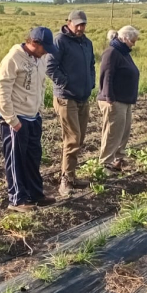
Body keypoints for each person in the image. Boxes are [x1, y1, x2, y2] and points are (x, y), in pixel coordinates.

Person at [0, 27, 58, 212]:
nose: (46, 51)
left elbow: (40, 85)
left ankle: (35, 194)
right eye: (44, 47)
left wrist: (39, 110)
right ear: (34, 43)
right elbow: (2, 89)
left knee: (33, 157)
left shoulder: (40, 59)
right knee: (16, 159)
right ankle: (17, 199)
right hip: (16, 118)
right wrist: (11, 119)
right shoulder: (13, 59)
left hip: (33, 116)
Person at [46, 10, 96, 196]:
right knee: (72, 138)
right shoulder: (60, 41)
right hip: (66, 97)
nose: (81, 28)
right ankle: (65, 180)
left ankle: (71, 176)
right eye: (78, 24)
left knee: (80, 138)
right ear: (69, 23)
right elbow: (50, 67)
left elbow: (91, 65)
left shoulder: (86, 43)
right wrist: (65, 83)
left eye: (83, 24)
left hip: (83, 96)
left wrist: (90, 82)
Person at [97, 26, 140, 173]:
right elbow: (106, 75)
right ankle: (106, 163)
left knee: (123, 131)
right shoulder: (112, 52)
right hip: (114, 100)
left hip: (125, 100)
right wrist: (109, 97)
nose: (134, 44)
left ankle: (118, 160)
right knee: (113, 132)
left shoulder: (123, 52)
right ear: (125, 38)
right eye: (133, 40)